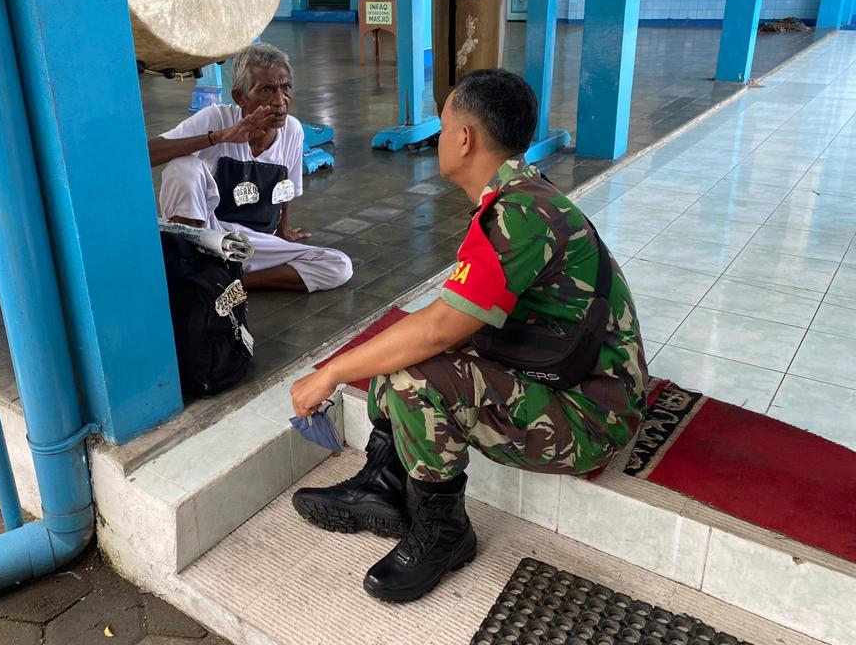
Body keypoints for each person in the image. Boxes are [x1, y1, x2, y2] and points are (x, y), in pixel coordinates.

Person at [289, 69, 648, 603]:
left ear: (464, 138)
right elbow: (449, 319)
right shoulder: (518, 196)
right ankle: (385, 487)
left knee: (415, 371)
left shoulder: (520, 213)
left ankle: (447, 532)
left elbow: (438, 330)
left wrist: (332, 372)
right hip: (563, 375)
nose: (438, 136)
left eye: (443, 123)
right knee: (400, 351)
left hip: (594, 414)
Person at [149, 43, 352, 292]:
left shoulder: (292, 130)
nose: (280, 101)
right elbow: (146, 155)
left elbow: (284, 186)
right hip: (208, 234)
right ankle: (185, 261)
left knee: (338, 265)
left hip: (253, 242)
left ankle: (223, 282)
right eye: (267, 89)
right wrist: (219, 137)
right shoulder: (217, 118)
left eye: (286, 88)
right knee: (183, 166)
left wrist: (283, 229)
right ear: (240, 97)